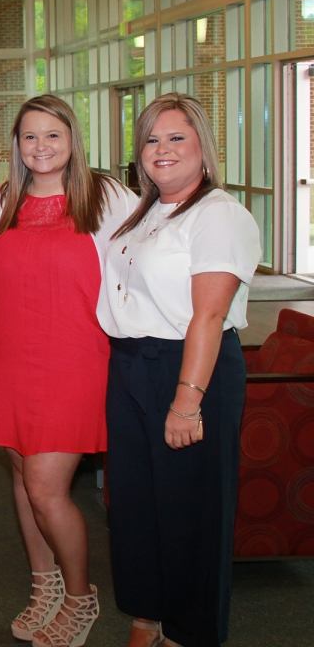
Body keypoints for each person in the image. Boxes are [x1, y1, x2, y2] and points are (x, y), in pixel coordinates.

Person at [98, 93, 260, 647]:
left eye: (176, 138)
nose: (161, 149)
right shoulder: (147, 211)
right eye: (151, 139)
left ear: (203, 149)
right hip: (132, 365)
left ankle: (189, 633)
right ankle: (148, 616)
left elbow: (209, 315)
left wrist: (187, 400)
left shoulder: (219, 214)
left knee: (191, 514)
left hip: (189, 368)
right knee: (136, 506)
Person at [0, 95, 138, 647]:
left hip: (74, 360)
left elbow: (143, 263)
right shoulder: (4, 201)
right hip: (9, 360)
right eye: (30, 136)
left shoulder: (107, 196)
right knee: (23, 479)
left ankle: (79, 597)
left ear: (72, 139)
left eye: (53, 135)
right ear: (16, 145)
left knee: (46, 489)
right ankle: (43, 584)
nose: (41, 146)